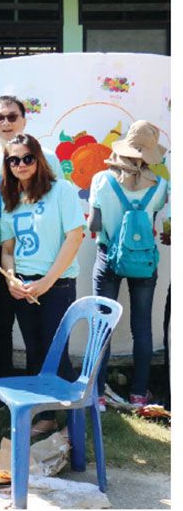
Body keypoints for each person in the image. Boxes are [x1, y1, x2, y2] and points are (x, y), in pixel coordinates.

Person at [0, 133, 85, 438]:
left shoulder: (61, 190)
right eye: (13, 160)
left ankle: (77, 419)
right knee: (35, 353)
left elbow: (74, 237)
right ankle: (46, 416)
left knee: (56, 355)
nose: (20, 164)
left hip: (56, 286)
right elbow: (7, 249)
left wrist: (47, 281)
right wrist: (11, 279)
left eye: (27, 158)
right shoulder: (11, 200)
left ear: (38, 159)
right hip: (25, 288)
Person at [0, 95, 64, 379]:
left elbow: (60, 208)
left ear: (24, 120)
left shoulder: (47, 157)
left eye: (12, 116)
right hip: (0, 251)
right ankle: (5, 383)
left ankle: (42, 385)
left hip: (37, 253)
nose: (6, 122)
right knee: (1, 322)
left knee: (39, 328)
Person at [88, 120, 168, 408]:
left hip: (108, 257)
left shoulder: (101, 179)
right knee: (142, 327)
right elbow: (153, 219)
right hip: (144, 261)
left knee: (102, 326)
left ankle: (97, 395)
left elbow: (94, 225)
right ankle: (138, 394)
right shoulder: (161, 185)